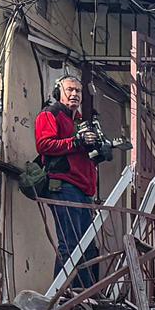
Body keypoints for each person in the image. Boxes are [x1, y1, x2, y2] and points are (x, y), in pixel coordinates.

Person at [33, 74, 103, 285]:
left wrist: (100, 149)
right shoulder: (50, 114)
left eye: (78, 91)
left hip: (83, 189)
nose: (74, 94)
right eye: (69, 89)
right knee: (70, 244)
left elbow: (85, 154)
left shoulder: (80, 121)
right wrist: (75, 142)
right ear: (58, 92)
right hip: (64, 185)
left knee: (87, 247)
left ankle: (85, 294)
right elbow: (44, 144)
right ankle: (63, 295)